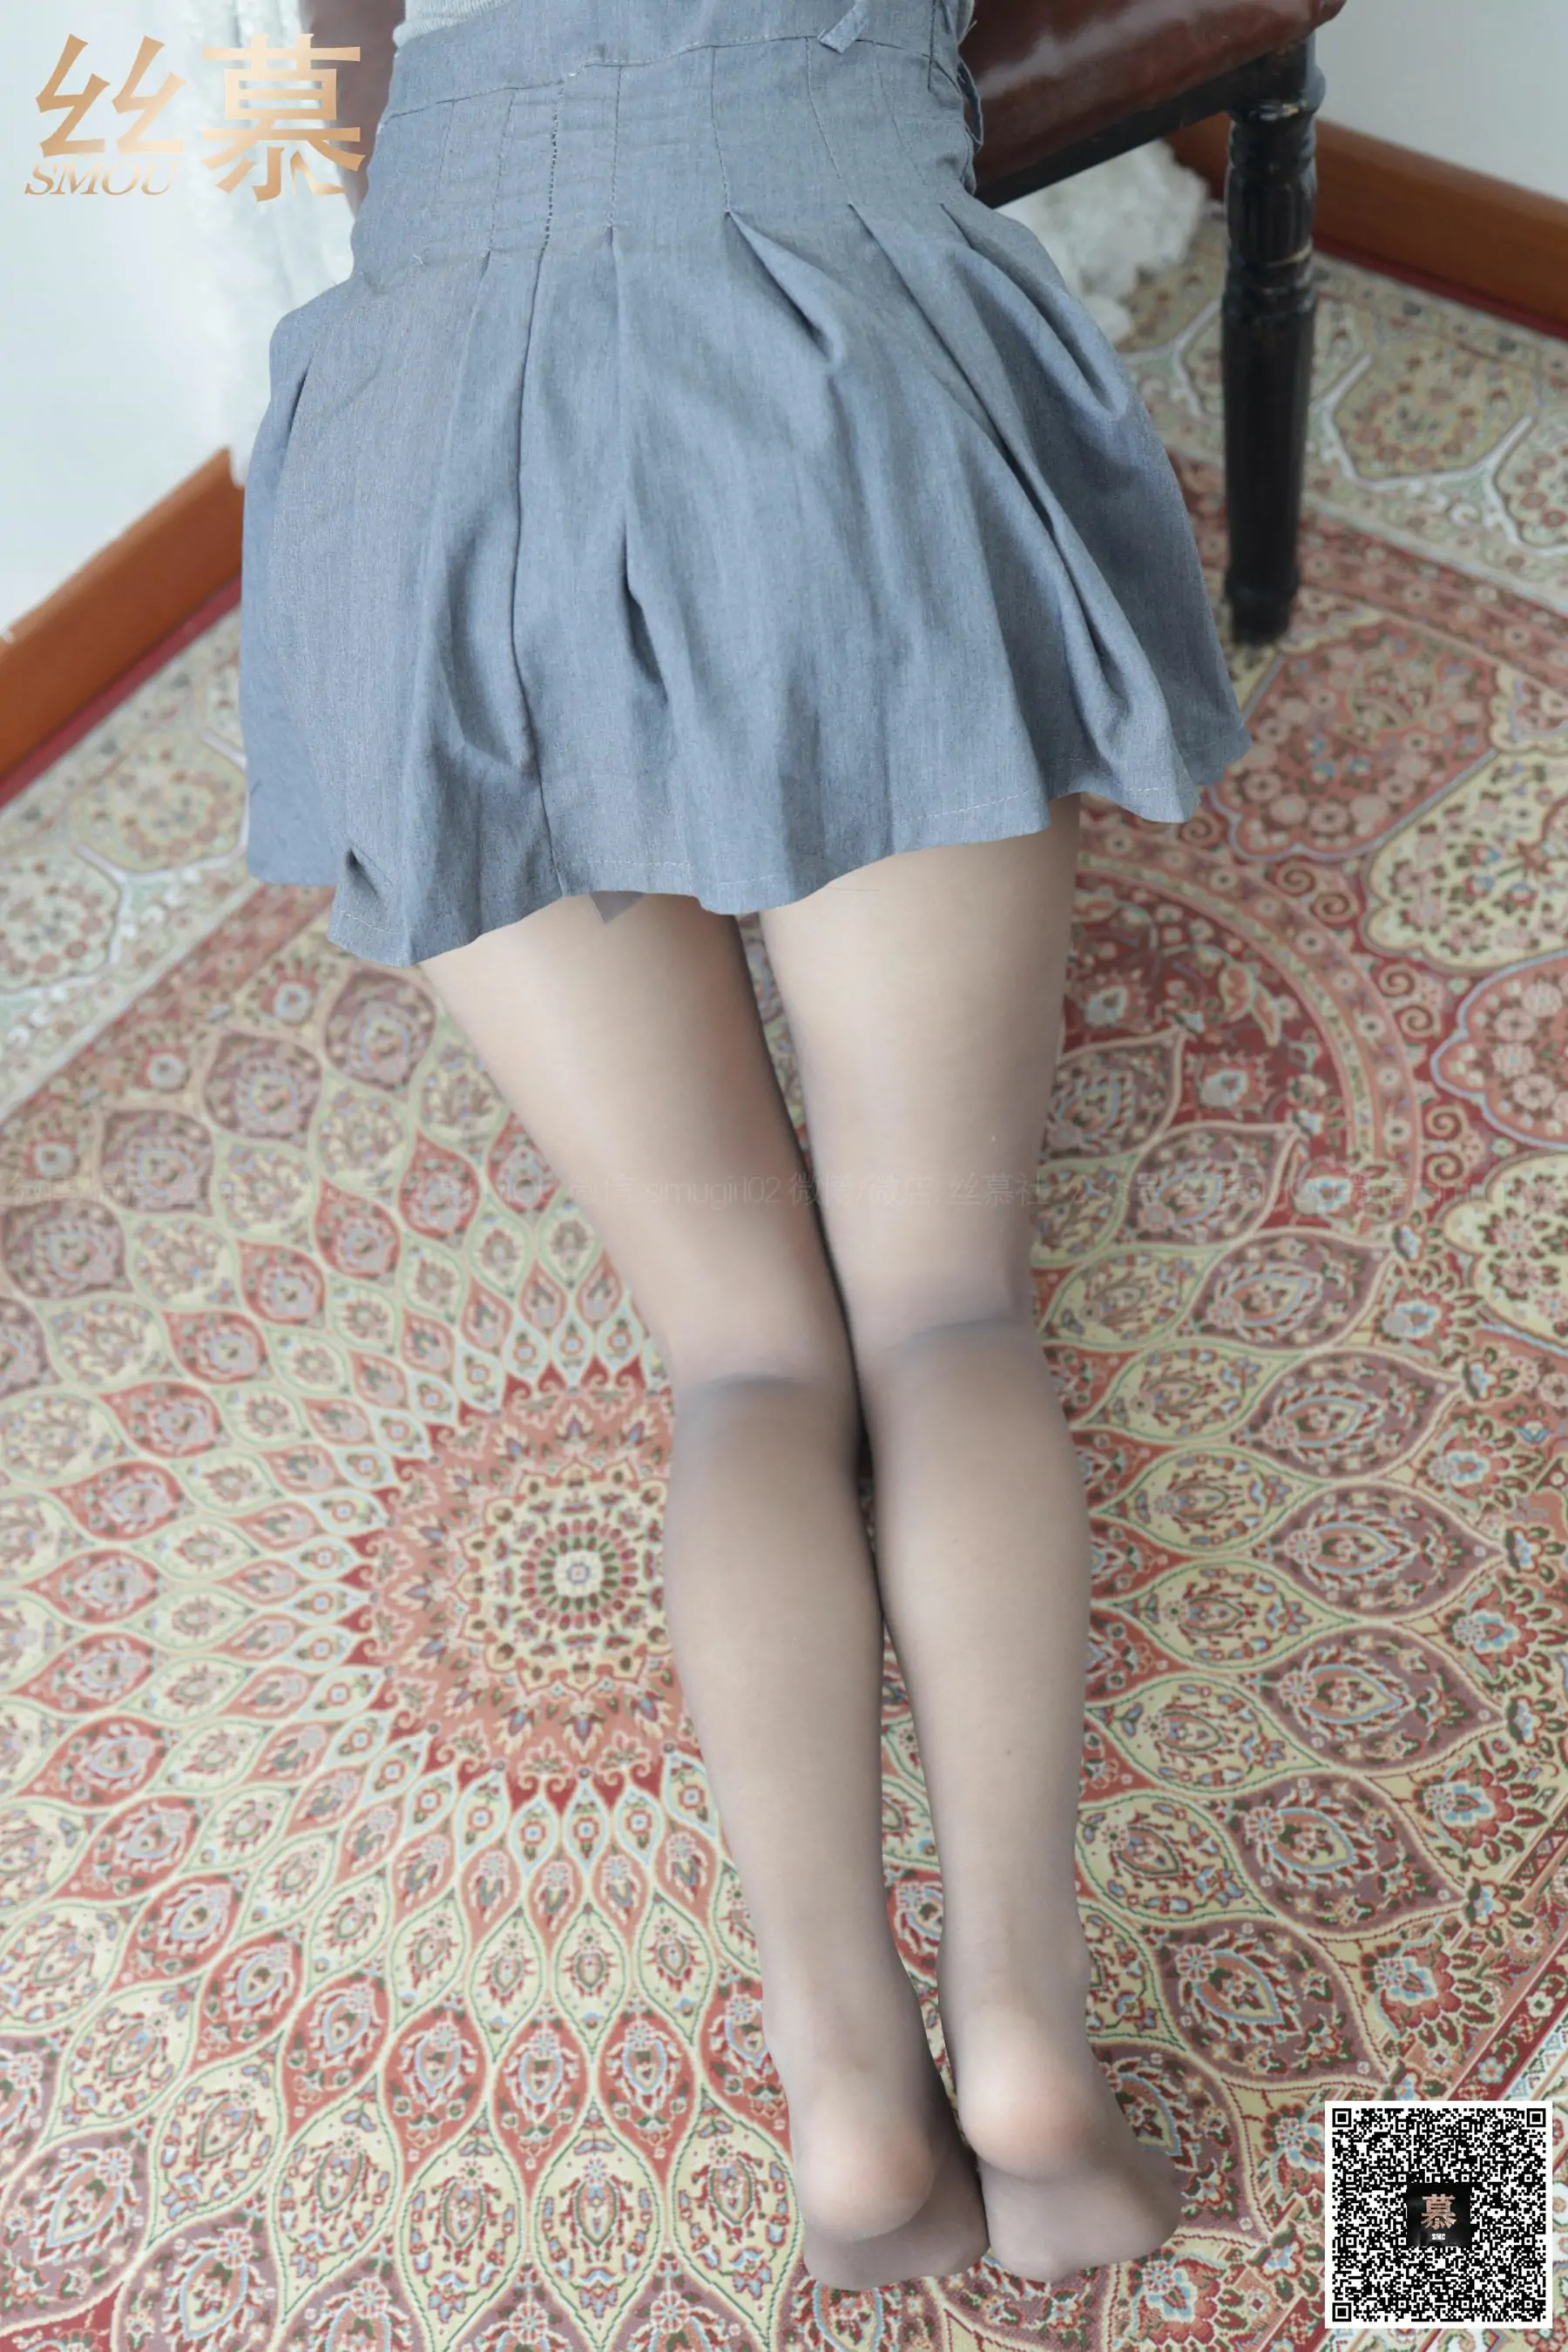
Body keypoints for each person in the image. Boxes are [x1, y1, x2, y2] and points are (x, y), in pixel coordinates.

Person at [244, 0, 1253, 2291]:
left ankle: (841, 2075)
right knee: (943, 1307)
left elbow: (338, 72)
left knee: (741, 1361)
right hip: (817, 375)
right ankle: (1021, 2033)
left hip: (418, 440)